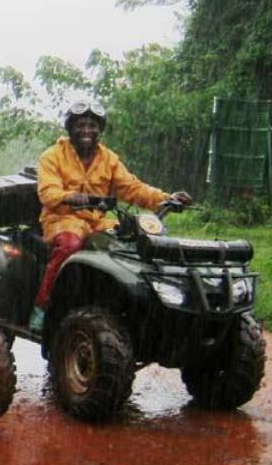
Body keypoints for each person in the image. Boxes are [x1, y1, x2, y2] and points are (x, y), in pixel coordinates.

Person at [30, 100, 191, 331]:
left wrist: (166, 198)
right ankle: (43, 308)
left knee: (130, 247)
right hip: (62, 218)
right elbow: (47, 192)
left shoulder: (109, 159)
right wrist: (70, 196)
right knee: (69, 246)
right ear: (70, 127)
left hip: (99, 220)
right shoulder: (52, 156)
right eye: (81, 125)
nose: (87, 130)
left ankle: (137, 307)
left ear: (100, 129)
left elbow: (133, 188)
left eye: (92, 126)